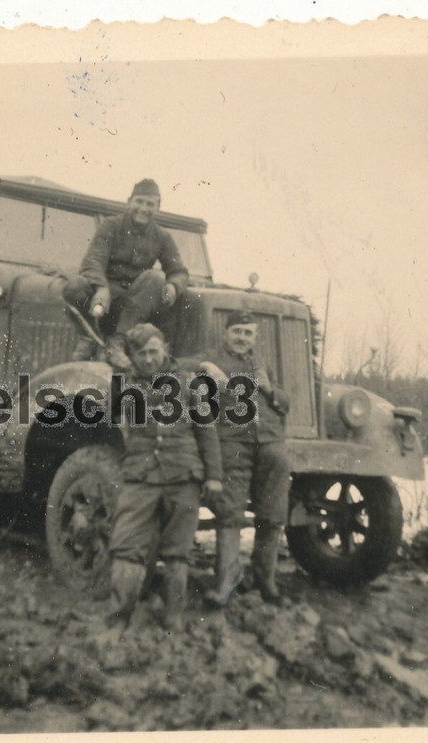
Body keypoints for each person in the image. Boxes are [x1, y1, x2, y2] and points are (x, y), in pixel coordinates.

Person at [105, 323, 223, 633]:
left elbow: (206, 432)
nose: (148, 359)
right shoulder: (126, 385)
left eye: (153, 351)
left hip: (183, 475)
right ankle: (119, 616)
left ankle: (173, 618)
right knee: (126, 544)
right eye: (140, 353)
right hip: (140, 474)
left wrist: (214, 476)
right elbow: (115, 415)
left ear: (165, 350)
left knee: (177, 551)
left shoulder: (189, 383)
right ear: (132, 356)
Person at [198, 310, 293, 606]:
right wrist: (205, 367)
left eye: (248, 333)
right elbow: (180, 366)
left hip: (269, 445)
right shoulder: (213, 358)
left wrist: (269, 388)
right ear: (226, 334)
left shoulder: (261, 364)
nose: (242, 338)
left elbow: (285, 403)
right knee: (230, 514)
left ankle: (265, 580)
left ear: (255, 337)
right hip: (234, 445)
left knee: (273, 513)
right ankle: (225, 582)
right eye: (237, 331)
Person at [62, 179, 189, 368]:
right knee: (74, 287)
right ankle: (89, 337)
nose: (143, 208)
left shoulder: (162, 236)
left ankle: (118, 343)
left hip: (136, 301)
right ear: (129, 202)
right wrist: (101, 288)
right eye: (139, 202)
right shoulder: (110, 225)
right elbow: (93, 260)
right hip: (106, 296)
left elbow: (178, 271)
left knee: (156, 277)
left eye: (150, 204)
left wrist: (173, 285)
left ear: (158, 208)